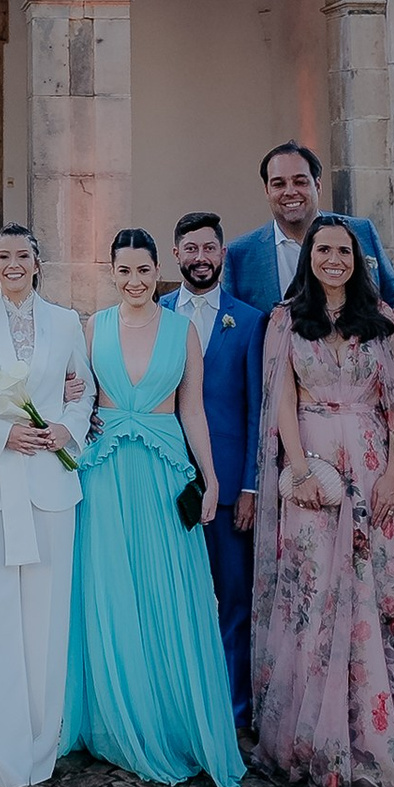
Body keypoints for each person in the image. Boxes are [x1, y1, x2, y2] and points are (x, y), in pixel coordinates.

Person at [253, 218, 394, 787]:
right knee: (315, 593)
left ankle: (376, 738)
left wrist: (393, 473)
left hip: (371, 470)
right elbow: (281, 400)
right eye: (323, 249)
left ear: (358, 259)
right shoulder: (285, 320)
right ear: (309, 257)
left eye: (344, 250)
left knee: (374, 589)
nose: (334, 259)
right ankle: (315, 739)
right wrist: (297, 468)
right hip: (314, 469)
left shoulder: (384, 320)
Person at [62, 230, 244, 787]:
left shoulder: (181, 329)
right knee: (109, 589)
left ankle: (168, 718)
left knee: (168, 591)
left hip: (165, 473)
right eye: (124, 271)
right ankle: (112, 718)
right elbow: (78, 398)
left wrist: (210, 477)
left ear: (157, 269)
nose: (135, 280)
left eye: (144, 270)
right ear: (112, 272)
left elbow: (193, 411)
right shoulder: (93, 327)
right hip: (105, 473)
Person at [0, 226, 92, 787]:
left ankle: (38, 750)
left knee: (47, 620)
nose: (14, 264)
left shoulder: (66, 322)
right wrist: (1, 435)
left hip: (51, 486)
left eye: (23, 255)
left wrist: (66, 429)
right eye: (3, 255)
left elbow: (84, 390)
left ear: (37, 263)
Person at [161, 213, 268, 726]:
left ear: (223, 255)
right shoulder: (156, 313)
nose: (200, 258)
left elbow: (257, 410)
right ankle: (179, 704)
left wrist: (249, 486)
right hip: (165, 477)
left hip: (227, 487)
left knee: (232, 598)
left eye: (209, 248)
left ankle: (231, 710)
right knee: (174, 596)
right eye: (190, 248)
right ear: (176, 255)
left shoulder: (248, 321)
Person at [225, 140, 394, 318]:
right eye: (279, 184)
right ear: (267, 191)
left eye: (300, 182)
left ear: (317, 186)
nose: (290, 192)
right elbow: (231, 323)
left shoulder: (362, 232)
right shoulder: (240, 255)